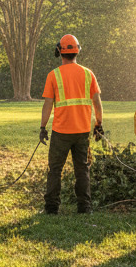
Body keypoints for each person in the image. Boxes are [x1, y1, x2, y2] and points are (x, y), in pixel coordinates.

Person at [39, 33, 104, 214]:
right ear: (78, 51)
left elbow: (47, 105)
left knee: (55, 170)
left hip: (61, 131)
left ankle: (51, 208)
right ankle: (85, 207)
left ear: (59, 52)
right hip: (83, 131)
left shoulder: (53, 75)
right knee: (82, 170)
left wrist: (43, 128)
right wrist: (99, 125)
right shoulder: (88, 74)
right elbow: (97, 103)